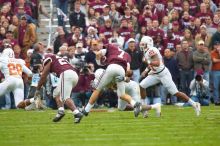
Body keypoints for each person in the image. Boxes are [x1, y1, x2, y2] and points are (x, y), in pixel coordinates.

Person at [139, 36, 201, 116]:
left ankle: (194, 104)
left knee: (175, 93)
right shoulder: (147, 51)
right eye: (142, 44)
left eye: (144, 44)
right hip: (155, 74)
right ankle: (144, 108)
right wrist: (146, 70)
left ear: (148, 44)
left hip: (163, 74)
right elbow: (155, 63)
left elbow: (157, 63)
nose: (142, 46)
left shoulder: (151, 50)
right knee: (142, 86)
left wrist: (147, 61)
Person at [83, 43, 142, 117]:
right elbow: (128, 71)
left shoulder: (111, 48)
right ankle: (134, 104)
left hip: (112, 67)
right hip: (121, 71)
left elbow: (98, 54)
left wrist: (99, 63)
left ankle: (86, 110)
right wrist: (123, 77)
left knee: (97, 89)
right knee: (122, 95)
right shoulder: (127, 54)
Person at [33, 53, 83, 123]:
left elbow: (44, 76)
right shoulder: (59, 59)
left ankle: (77, 113)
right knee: (56, 93)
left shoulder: (49, 59)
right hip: (74, 75)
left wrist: (37, 89)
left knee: (64, 97)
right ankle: (61, 111)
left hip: (66, 74)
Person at [92, 68, 161, 118]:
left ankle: (156, 106)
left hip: (132, 88)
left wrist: (123, 78)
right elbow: (99, 93)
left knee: (141, 110)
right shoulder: (98, 81)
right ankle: (139, 108)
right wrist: (94, 88)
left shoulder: (112, 74)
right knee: (121, 108)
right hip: (122, 91)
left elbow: (128, 80)